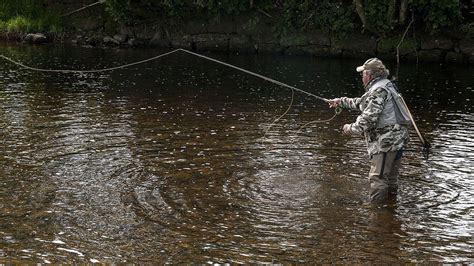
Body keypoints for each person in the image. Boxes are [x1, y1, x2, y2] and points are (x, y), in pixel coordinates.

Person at [328, 58, 410, 203]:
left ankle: (377, 214)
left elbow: (368, 120)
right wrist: (340, 101)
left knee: (378, 179)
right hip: (398, 141)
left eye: (363, 74)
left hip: (386, 142)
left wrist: (350, 128)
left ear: (371, 75)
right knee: (391, 179)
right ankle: (390, 211)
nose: (361, 77)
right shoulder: (386, 86)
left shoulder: (378, 91)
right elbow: (362, 103)